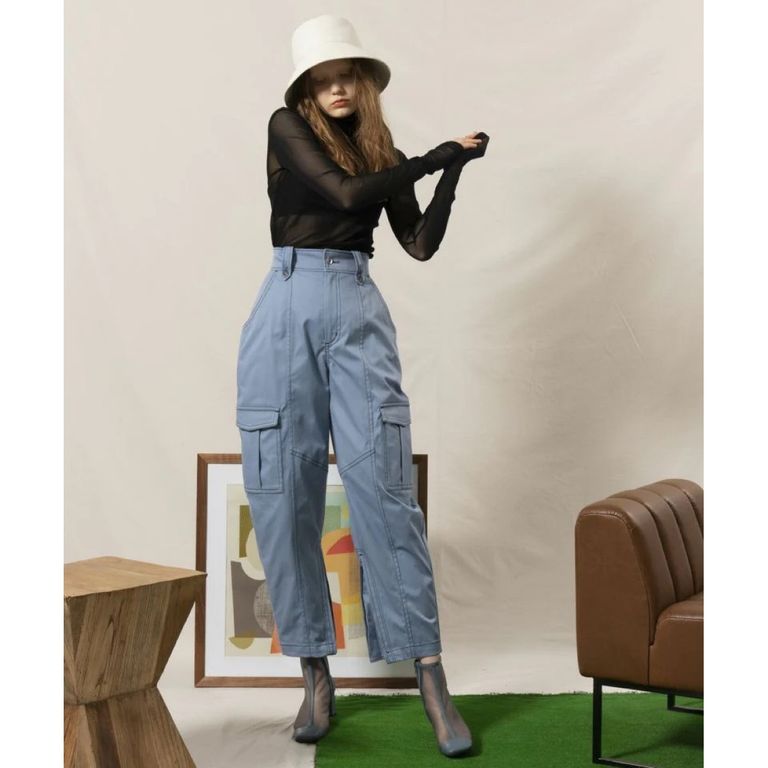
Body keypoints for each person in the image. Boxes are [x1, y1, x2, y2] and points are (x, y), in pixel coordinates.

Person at [235, 14, 489, 758]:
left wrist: (451, 173)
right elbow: (346, 197)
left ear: (365, 84)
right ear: (307, 89)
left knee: (385, 489)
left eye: (347, 74)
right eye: (323, 78)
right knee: (284, 489)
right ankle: (315, 675)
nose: (337, 87)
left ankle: (430, 675)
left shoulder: (386, 155)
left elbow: (419, 243)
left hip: (356, 305)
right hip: (286, 304)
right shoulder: (287, 127)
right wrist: (436, 156)